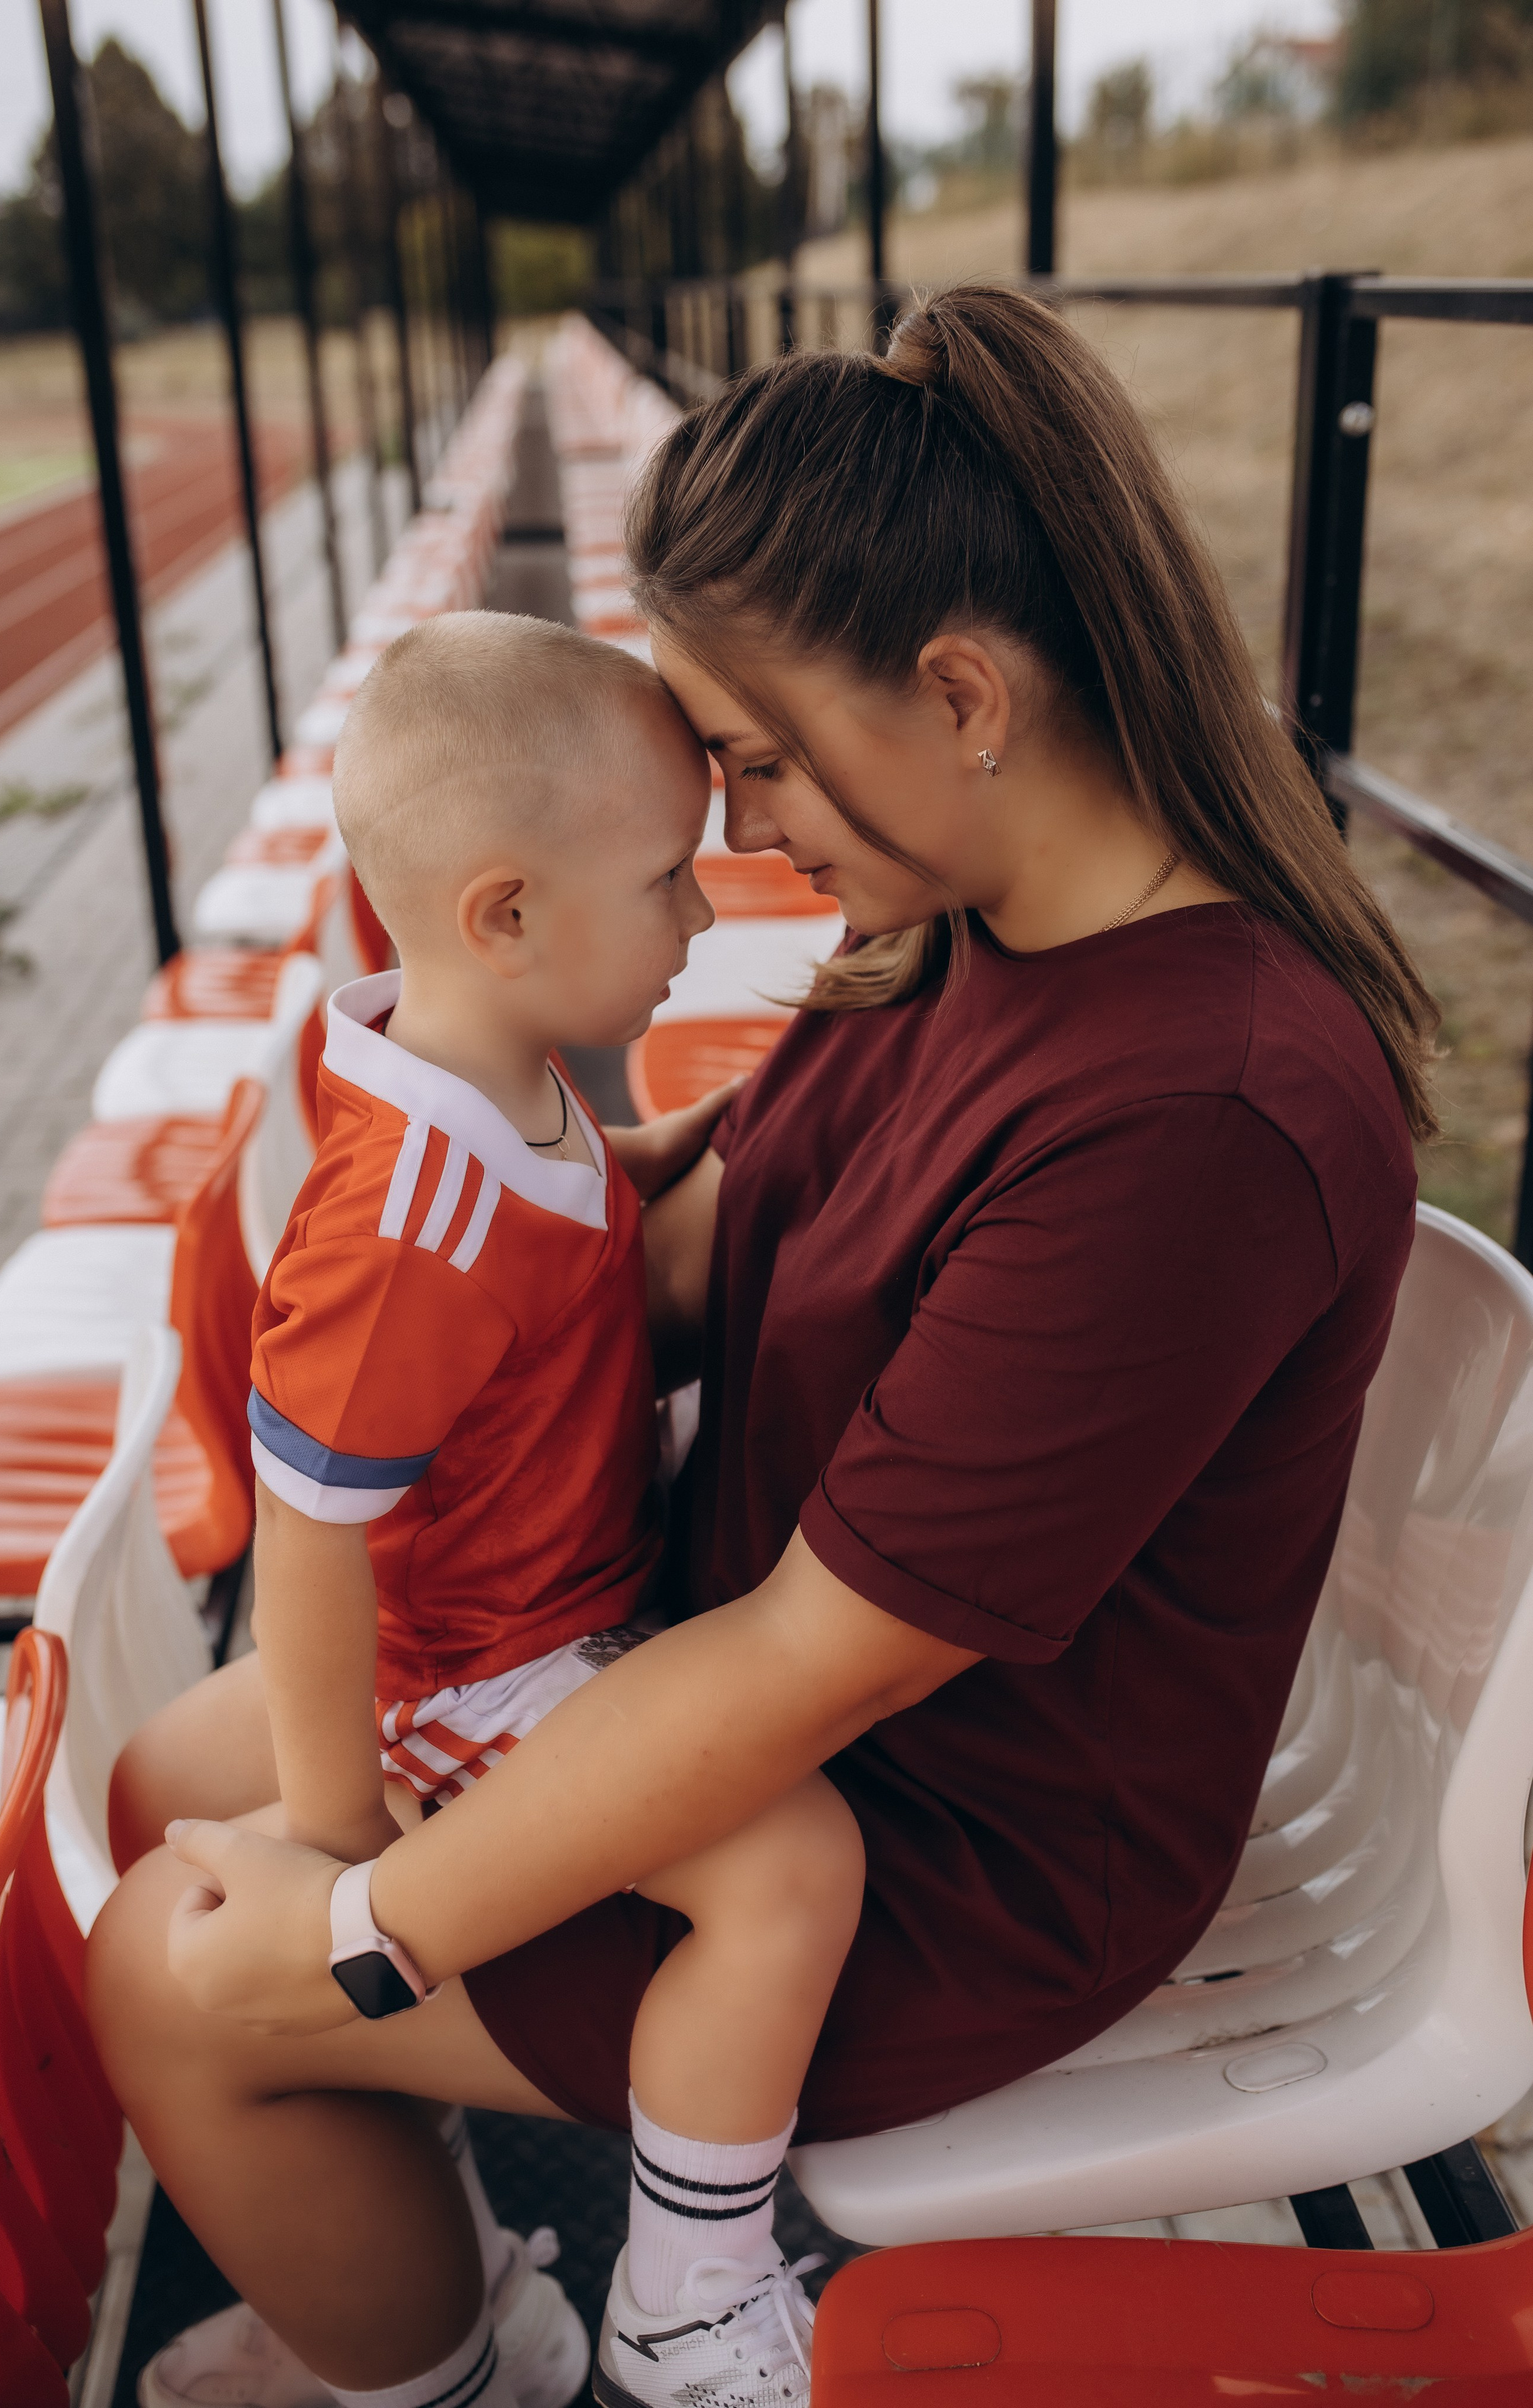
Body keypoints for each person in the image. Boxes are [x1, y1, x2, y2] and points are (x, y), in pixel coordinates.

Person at [90, 283, 1428, 2408]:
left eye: (762, 761)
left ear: (965, 691)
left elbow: (820, 1662)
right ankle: (411, 2250)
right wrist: (432, 1187)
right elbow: (688, 1256)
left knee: (171, 1979)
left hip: (938, 1863)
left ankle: (460, 2357)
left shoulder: (1195, 1112)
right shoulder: (951, 938)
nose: (733, 836)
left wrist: (364, 1935)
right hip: (713, 1669)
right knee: (163, 1783)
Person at [118, 610, 867, 2408]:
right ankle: (690, 2297)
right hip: (494, 1660)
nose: (704, 913)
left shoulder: (478, 1067)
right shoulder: (406, 1231)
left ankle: (415, 2217)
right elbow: (307, 1530)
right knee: (791, 1870)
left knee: (147, 1791)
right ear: (509, 918)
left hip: (557, 1597)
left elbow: (547, 1191)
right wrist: (335, 1834)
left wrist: (663, 1155)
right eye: (667, 880)